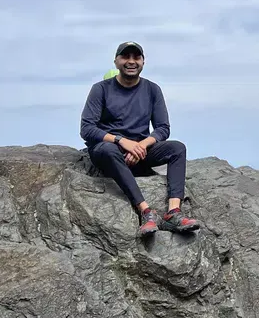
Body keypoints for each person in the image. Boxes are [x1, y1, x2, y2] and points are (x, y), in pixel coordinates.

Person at [80, 41, 199, 236]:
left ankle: (173, 213)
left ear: (143, 62)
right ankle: (146, 212)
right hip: (110, 149)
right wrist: (121, 141)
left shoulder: (152, 90)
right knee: (107, 150)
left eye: (136, 57)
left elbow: (162, 128)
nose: (131, 61)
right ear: (116, 61)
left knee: (178, 148)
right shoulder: (100, 89)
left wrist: (141, 145)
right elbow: (87, 129)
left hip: (141, 149)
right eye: (126, 57)